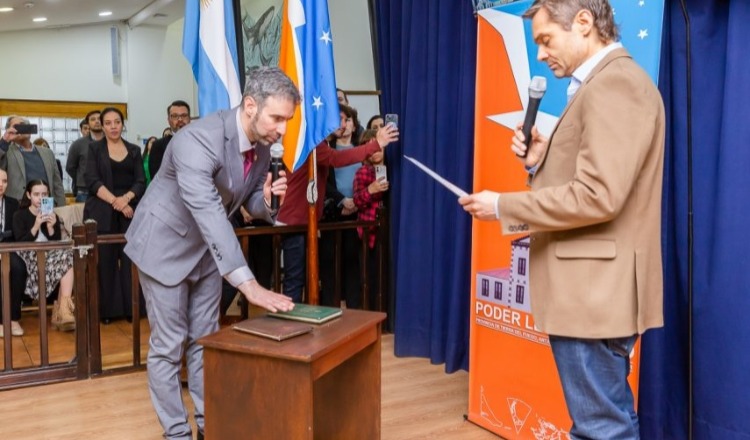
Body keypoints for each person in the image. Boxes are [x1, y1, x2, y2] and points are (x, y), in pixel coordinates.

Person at [458, 1, 665, 438]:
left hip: (593, 293)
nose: (540, 54)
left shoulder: (615, 84)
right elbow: (598, 186)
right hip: (592, 292)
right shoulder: (604, 84)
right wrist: (540, 162)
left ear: (584, 23)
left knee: (600, 429)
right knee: (607, 422)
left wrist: (503, 206)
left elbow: (598, 197)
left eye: (546, 39)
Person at [124, 66, 297, 440]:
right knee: (169, 347)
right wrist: (249, 285)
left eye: (287, 119)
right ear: (250, 106)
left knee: (205, 341)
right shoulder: (196, 139)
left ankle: (209, 424)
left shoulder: (262, 148)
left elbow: (248, 200)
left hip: (205, 250)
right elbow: (209, 211)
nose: (282, 129)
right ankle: (177, 433)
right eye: (277, 118)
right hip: (164, 247)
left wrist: (267, 200)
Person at [278, 105, 398, 305]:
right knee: (295, 280)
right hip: (295, 221)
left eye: (345, 119)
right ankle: (289, 322)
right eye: (339, 119)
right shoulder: (313, 142)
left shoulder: (317, 141)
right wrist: (376, 143)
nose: (343, 124)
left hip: (304, 221)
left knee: (302, 278)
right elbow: (336, 159)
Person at [84, 107, 145, 324]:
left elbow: (140, 181)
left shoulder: (134, 150)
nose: (113, 127)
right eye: (108, 123)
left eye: (117, 122)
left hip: (130, 211)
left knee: (130, 261)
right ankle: (108, 311)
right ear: (102, 125)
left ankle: (132, 308)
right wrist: (116, 202)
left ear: (122, 124)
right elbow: (92, 181)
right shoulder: (94, 149)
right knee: (106, 262)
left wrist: (125, 199)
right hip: (103, 210)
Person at [13, 179, 76, 332]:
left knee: (68, 255)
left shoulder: (53, 215)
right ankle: (61, 312)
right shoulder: (20, 215)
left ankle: (63, 309)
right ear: (28, 195)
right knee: (66, 259)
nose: (40, 198)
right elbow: (20, 243)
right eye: (36, 194)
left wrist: (51, 227)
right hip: (29, 257)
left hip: (51, 256)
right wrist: (36, 226)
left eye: (44, 194)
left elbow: (56, 243)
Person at [352, 129, 388, 310]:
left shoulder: (394, 170)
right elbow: (357, 200)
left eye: (379, 146)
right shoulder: (362, 172)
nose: (376, 151)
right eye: (371, 147)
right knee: (370, 278)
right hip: (369, 235)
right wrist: (370, 190)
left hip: (388, 233)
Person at [2, 116, 66, 207]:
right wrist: (5, 140)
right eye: (18, 126)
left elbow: (57, 184)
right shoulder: (6, 152)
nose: (23, 128)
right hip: (18, 206)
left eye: (25, 125)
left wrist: (61, 207)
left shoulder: (47, 153)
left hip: (46, 205)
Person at [0, 169, 29, 337]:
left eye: (4, 181)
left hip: (9, 247)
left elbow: (17, 230)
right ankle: (0, 321)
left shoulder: (13, 203)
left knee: (19, 269)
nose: (1, 185)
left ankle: (14, 318)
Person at [66, 110, 104, 202]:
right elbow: (70, 167)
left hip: (108, 189)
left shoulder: (111, 142)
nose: (97, 121)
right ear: (88, 124)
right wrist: (83, 178)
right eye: (93, 119)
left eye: (99, 119)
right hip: (85, 191)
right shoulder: (78, 144)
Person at [148, 100, 192, 178]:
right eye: (175, 116)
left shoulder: (199, 142)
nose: (180, 119)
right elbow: (156, 177)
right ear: (168, 120)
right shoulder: (158, 146)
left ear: (189, 119)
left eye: (184, 115)